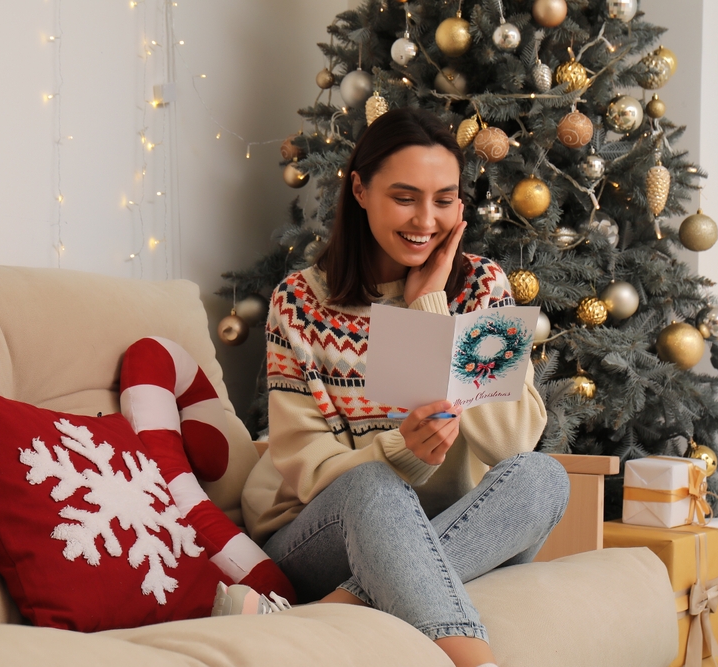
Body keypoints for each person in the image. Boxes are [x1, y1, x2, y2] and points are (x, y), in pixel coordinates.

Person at [237, 107, 569, 667]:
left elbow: (510, 444)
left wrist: (429, 310)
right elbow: (307, 467)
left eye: (444, 199)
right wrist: (400, 452)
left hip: (444, 521)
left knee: (543, 475)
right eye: (405, 196)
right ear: (361, 190)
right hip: (322, 528)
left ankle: (340, 607)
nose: (426, 220)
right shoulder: (301, 301)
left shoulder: (483, 286)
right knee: (376, 488)